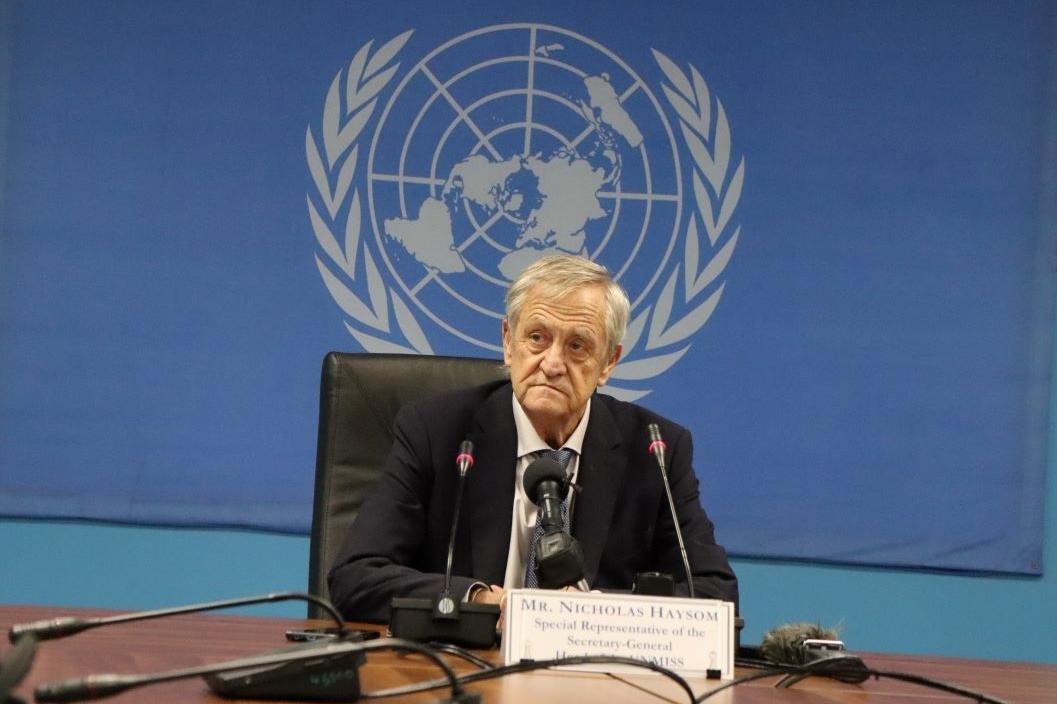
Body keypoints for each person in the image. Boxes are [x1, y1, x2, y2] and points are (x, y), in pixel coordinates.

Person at [328, 254, 738, 623]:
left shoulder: (655, 450)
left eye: (577, 346)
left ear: (608, 362)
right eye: (537, 338)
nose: (553, 364)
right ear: (509, 343)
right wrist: (480, 600)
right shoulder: (437, 432)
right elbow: (356, 576)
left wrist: (598, 614)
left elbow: (716, 594)